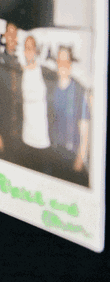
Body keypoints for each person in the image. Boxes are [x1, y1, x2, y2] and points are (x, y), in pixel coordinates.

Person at [47, 47, 90, 186]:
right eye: (60, 60)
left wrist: (79, 161)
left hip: (72, 158)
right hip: (54, 152)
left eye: (66, 61)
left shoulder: (79, 91)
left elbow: (85, 133)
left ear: (71, 64)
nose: (62, 64)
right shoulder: (52, 88)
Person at [0, 22, 23, 161]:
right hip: (3, 129)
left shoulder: (19, 63)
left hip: (17, 130)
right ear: (4, 36)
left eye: (14, 34)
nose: (12, 37)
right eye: (9, 33)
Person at [20, 35, 51, 152]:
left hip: (42, 135)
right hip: (26, 133)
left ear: (36, 50)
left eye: (31, 47)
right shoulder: (22, 70)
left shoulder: (43, 68)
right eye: (26, 48)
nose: (28, 51)